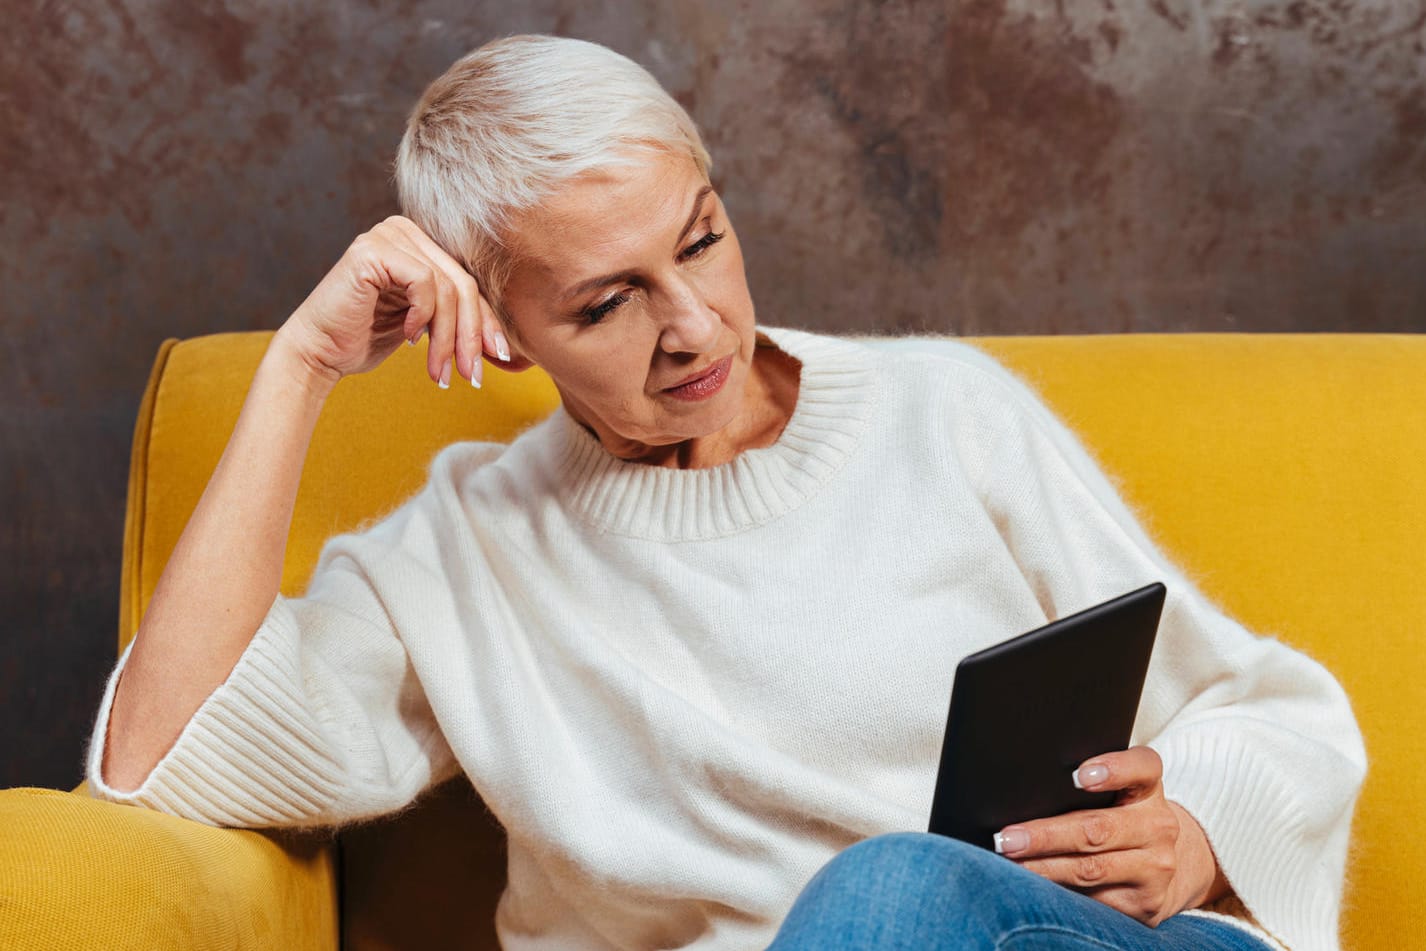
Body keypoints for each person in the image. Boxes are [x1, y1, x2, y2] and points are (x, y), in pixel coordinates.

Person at [86, 34, 1364, 951]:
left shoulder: (943, 414)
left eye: (698, 238)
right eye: (605, 301)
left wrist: (1194, 834)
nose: (694, 326)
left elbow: (1271, 711)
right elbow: (150, 773)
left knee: (892, 894)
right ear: (505, 332)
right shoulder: (466, 553)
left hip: (1052, 941)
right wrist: (302, 367)